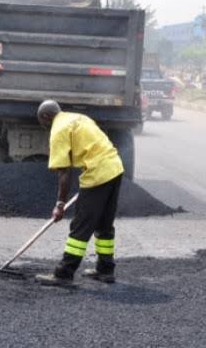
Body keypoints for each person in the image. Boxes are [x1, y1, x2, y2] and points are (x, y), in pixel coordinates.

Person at [34, 100, 124, 286]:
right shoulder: (78, 118)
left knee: (80, 225)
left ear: (45, 117)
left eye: (41, 122)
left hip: (98, 173)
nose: (43, 126)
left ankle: (64, 273)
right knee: (104, 223)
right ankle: (105, 270)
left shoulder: (58, 130)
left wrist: (60, 205)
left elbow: (64, 172)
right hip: (115, 167)